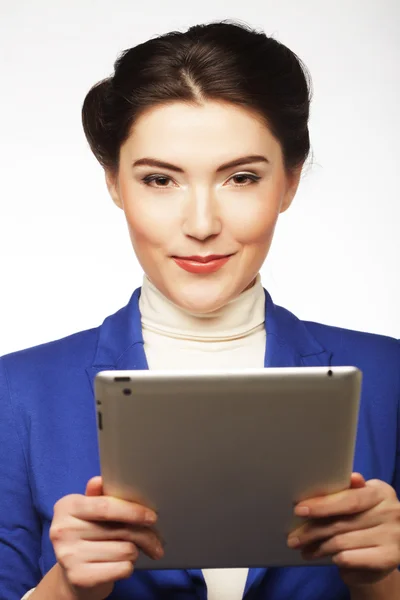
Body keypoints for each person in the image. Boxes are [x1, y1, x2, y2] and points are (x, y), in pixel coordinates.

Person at [0, 18, 399, 600]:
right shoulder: (16, 393)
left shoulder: (390, 378)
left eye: (241, 177)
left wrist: (382, 581)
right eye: (161, 180)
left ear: (289, 182)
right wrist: (66, 587)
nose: (202, 225)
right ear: (114, 183)